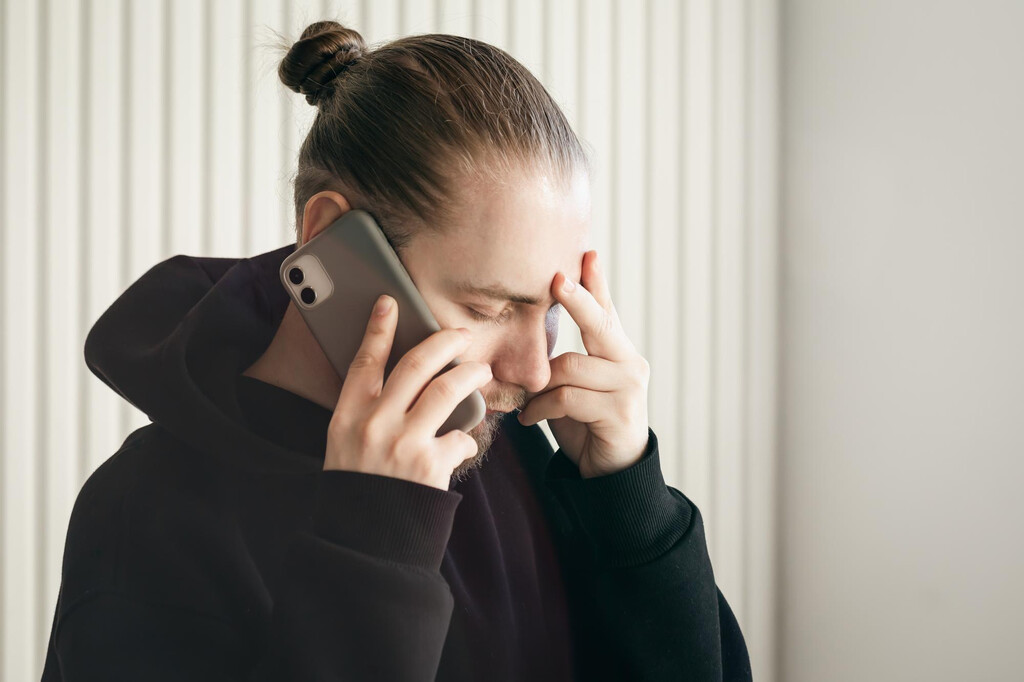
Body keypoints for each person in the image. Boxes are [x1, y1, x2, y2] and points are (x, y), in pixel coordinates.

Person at [41, 21, 752, 682]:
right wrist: (374, 546)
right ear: (331, 243)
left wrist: (629, 507)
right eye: (488, 307)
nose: (534, 372)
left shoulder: (514, 448)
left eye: (549, 311)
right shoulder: (149, 516)